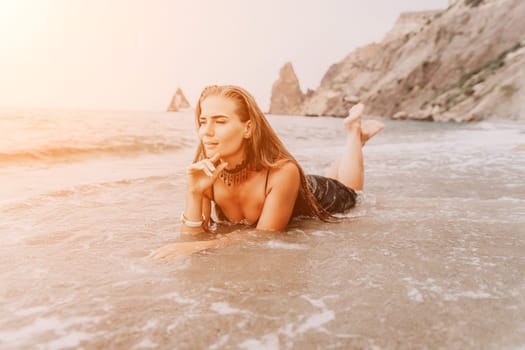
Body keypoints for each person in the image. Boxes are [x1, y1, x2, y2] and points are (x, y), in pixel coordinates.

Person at [152, 85, 383, 258]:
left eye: (220, 121)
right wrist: (194, 192)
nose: (206, 132)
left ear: (248, 128)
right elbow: (192, 235)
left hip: (319, 195)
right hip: (294, 189)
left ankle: (354, 133)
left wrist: (202, 247)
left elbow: (265, 235)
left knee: (352, 191)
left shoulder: (283, 172)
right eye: (203, 121)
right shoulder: (206, 173)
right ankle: (355, 143)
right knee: (335, 175)